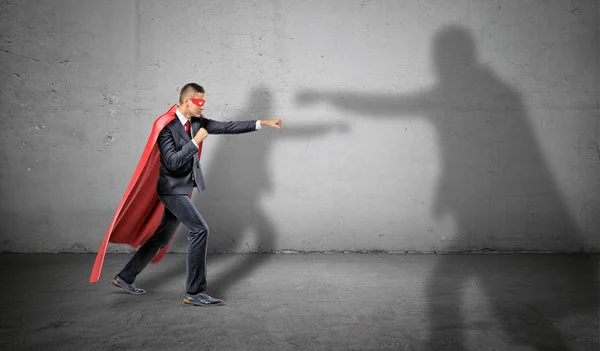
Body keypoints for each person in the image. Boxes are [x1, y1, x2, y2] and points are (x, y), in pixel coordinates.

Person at [112, 83, 282, 306]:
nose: (203, 106)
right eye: (200, 102)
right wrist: (195, 142)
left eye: (204, 101)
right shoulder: (166, 127)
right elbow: (172, 162)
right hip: (171, 190)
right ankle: (195, 292)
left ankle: (125, 277)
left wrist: (263, 123)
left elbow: (228, 126)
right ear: (186, 101)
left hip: (183, 188)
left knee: (161, 237)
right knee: (199, 229)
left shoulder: (197, 122)